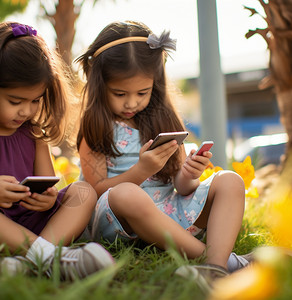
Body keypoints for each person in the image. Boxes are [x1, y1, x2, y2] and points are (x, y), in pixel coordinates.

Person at [0, 21, 114, 280]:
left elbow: (48, 187)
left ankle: (32, 260)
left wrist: (46, 199)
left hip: (26, 222)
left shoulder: (33, 133)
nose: (26, 111)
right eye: (15, 101)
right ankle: (49, 257)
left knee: (83, 191)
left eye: (35, 100)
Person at [75, 20, 249, 287]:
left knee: (230, 180)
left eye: (142, 93)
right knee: (128, 193)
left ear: (155, 85)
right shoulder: (96, 127)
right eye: (120, 93)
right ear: (100, 86)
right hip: (119, 218)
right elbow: (96, 189)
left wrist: (189, 174)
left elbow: (177, 184)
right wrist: (140, 171)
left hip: (167, 210)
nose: (132, 102)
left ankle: (213, 269)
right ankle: (225, 261)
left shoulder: (162, 120)